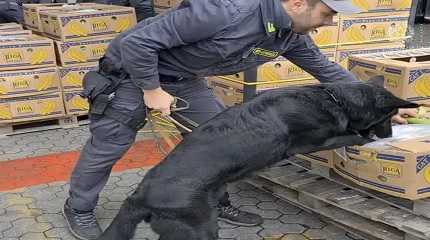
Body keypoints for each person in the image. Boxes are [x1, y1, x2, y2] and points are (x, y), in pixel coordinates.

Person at [62, 0, 417, 239]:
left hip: (184, 81)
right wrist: (151, 90)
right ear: (297, 3)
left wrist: (381, 105)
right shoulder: (224, 11)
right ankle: (79, 207)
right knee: (109, 146)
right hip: (129, 76)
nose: (328, 23)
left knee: (223, 140)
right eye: (326, 14)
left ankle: (216, 200)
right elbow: (138, 44)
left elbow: (327, 70)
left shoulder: (288, 34)